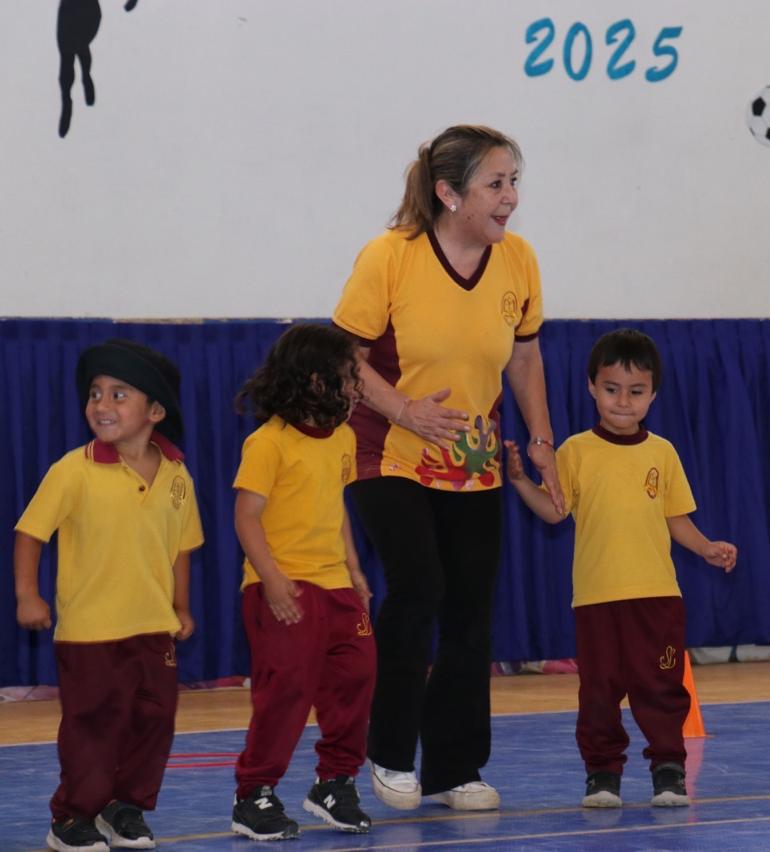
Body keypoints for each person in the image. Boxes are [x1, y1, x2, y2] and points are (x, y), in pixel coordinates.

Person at [332, 125, 564, 812]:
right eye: (496, 184)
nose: (511, 198)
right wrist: (404, 410)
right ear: (447, 191)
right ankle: (391, 753)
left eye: (514, 182)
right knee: (419, 587)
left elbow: (524, 355)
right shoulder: (389, 256)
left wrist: (544, 440)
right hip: (387, 450)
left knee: (471, 611)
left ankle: (456, 767)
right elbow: (345, 357)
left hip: (473, 461)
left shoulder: (518, 259)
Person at [503, 328, 737, 808]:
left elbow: (676, 519)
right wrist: (523, 482)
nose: (623, 402)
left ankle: (668, 768)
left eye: (636, 392)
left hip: (657, 598)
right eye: (612, 389)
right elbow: (554, 511)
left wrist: (706, 547)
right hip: (596, 599)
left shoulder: (663, 453)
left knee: (661, 686)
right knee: (598, 692)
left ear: (653, 394)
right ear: (592, 387)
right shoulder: (574, 451)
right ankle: (602, 774)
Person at [13, 339, 203, 852]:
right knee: (92, 725)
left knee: (153, 721)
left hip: (153, 628)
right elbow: (31, 534)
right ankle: (72, 817)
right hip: (90, 631)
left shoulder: (177, 475)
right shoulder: (72, 470)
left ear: (155, 411)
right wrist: (27, 595)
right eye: (95, 393)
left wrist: (181, 606)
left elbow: (181, 547)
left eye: (120, 394)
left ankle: (126, 807)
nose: (101, 404)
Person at [229, 324, 376, 840]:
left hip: (334, 584)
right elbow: (246, 516)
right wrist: (271, 580)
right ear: (317, 381)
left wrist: (354, 570)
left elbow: (336, 508)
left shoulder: (344, 437)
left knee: (358, 675)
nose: (358, 387)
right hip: (284, 586)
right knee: (286, 690)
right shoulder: (267, 442)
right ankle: (253, 793)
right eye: (350, 377)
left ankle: (334, 782)